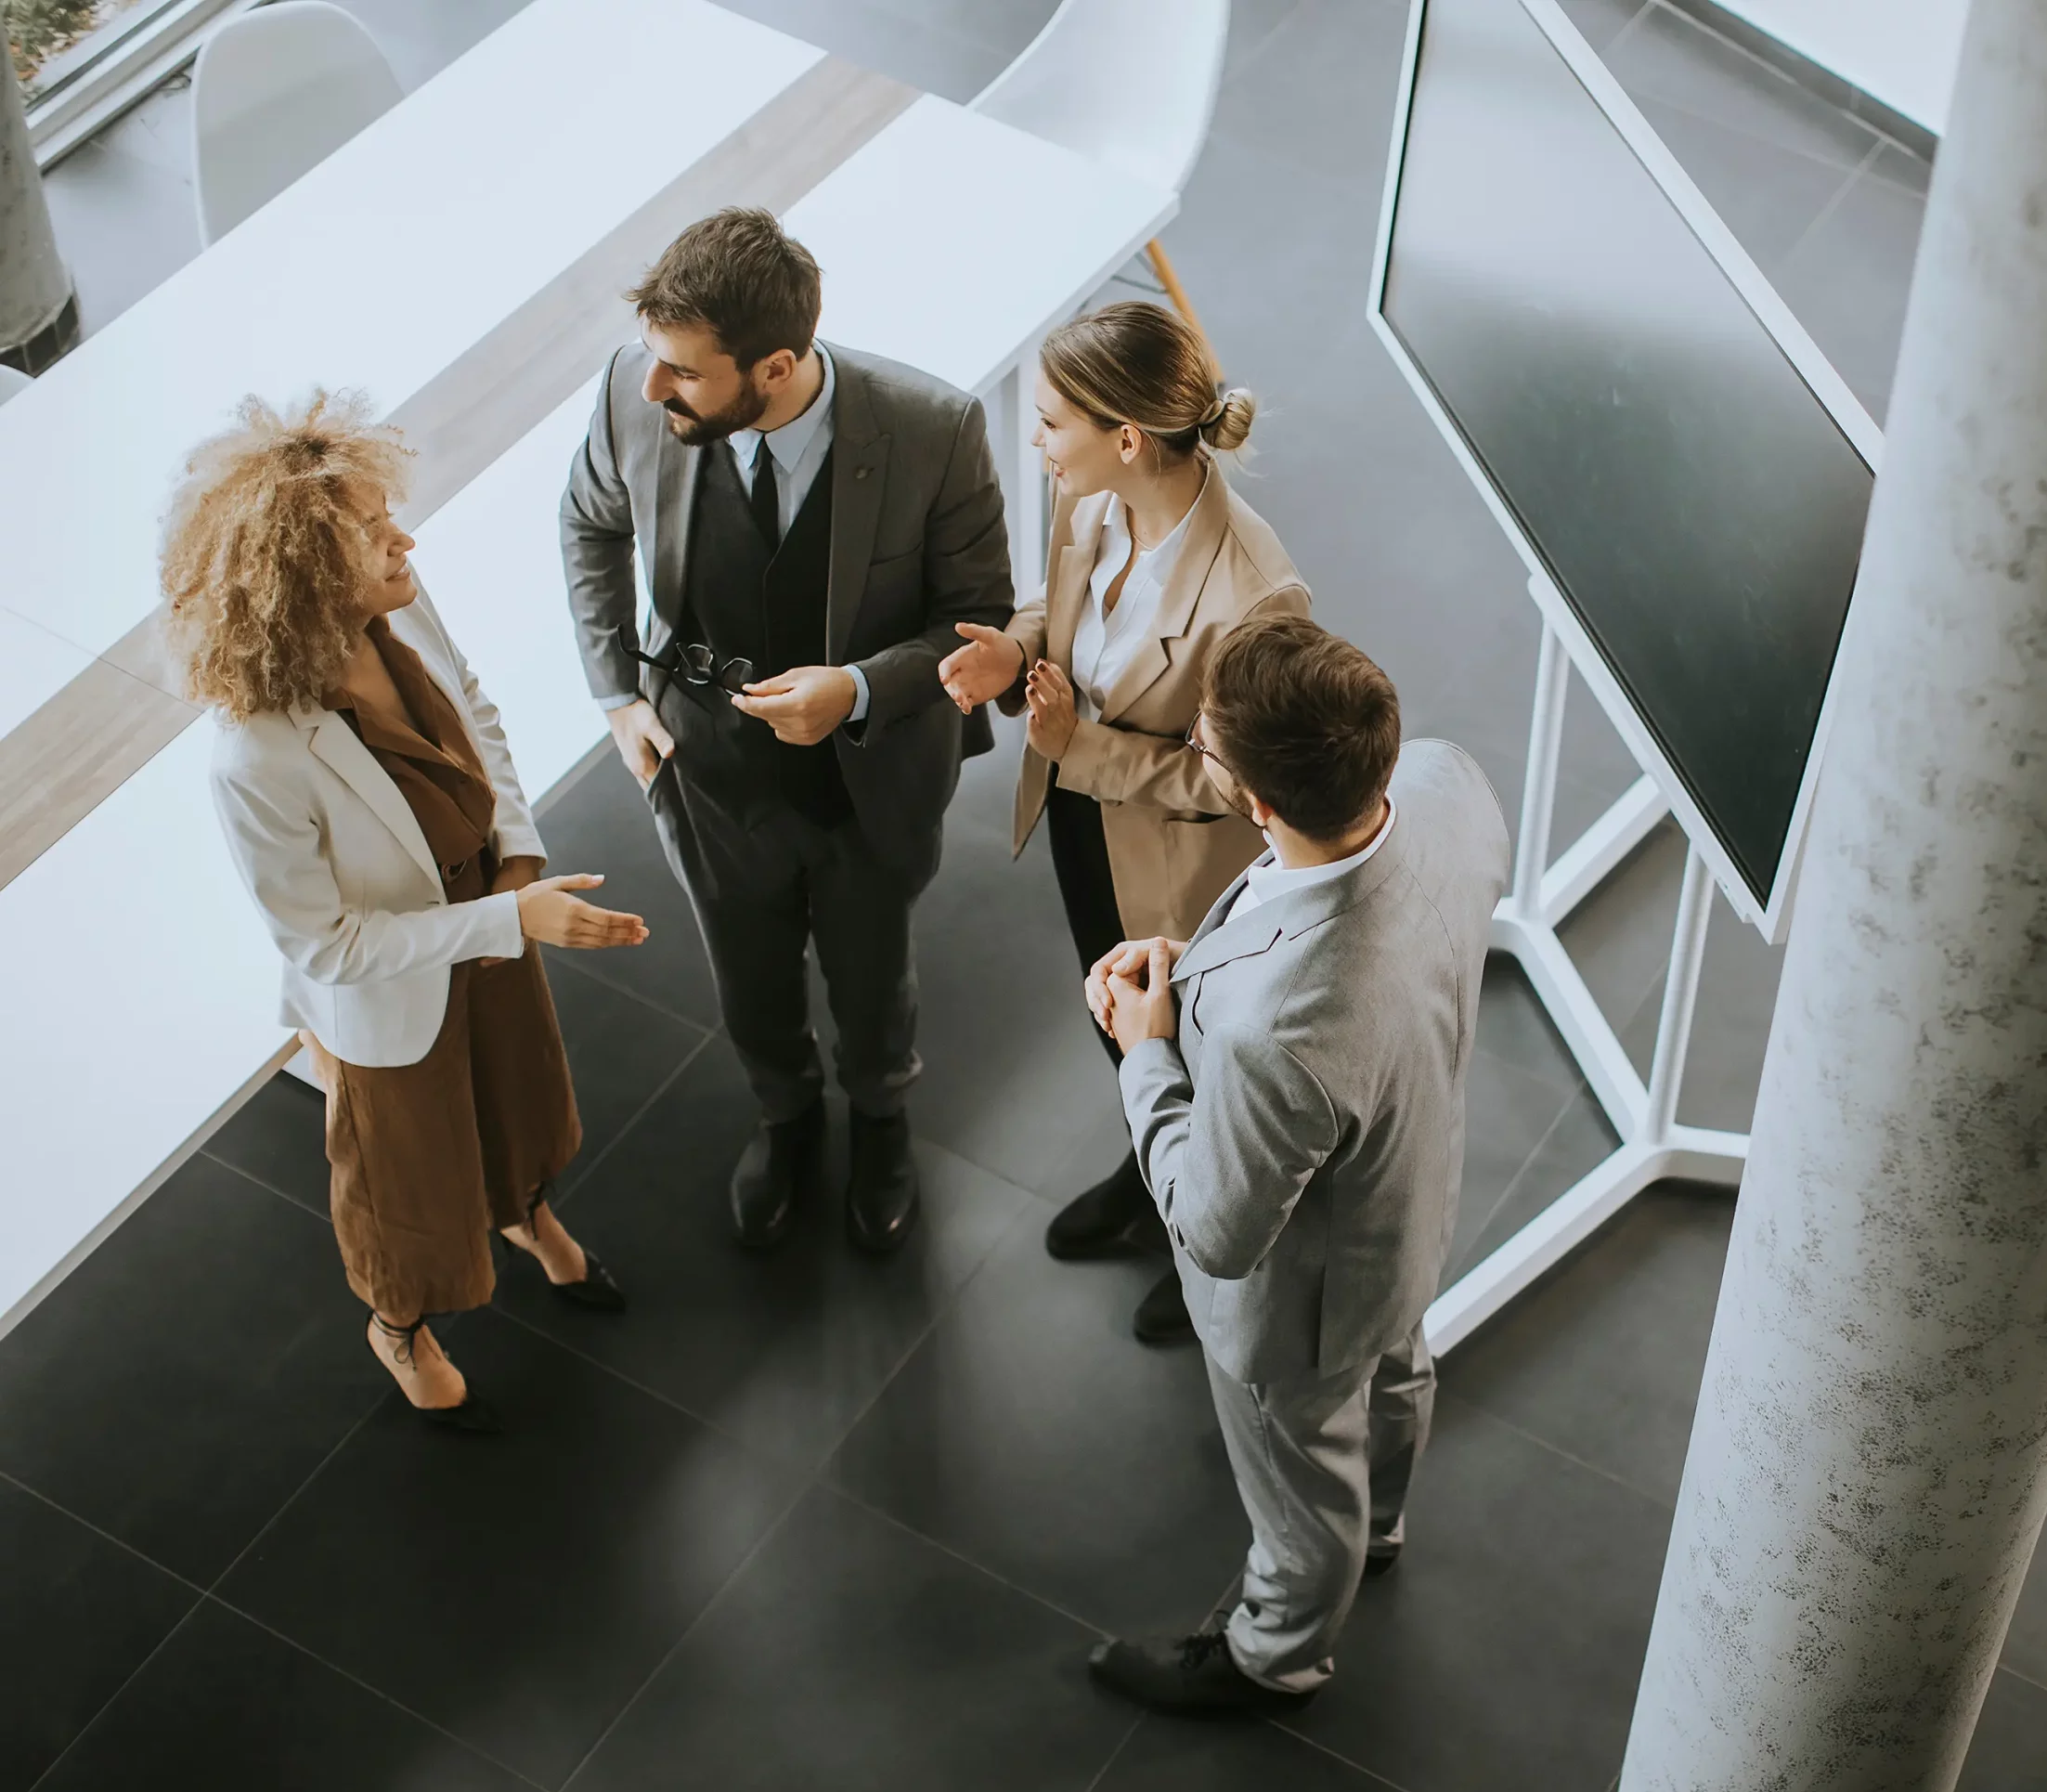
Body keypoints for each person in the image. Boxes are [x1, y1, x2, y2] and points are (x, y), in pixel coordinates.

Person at [179, 392, 648, 1431]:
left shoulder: (395, 599)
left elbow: (473, 703)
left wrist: (516, 855)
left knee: (515, 1095)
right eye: (370, 529)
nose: (406, 537)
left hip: (492, 909)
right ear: (301, 578)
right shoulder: (254, 757)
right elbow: (326, 943)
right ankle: (398, 1322)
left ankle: (525, 1215)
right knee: (405, 1183)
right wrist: (507, 923)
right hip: (400, 990)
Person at [562, 208, 1012, 1255]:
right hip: (702, 765)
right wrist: (617, 695)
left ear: (775, 365)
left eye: (682, 372)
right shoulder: (636, 396)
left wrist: (854, 689)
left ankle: (881, 1116)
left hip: (868, 778)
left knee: (870, 970)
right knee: (744, 966)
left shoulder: (931, 429)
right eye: (653, 362)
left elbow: (978, 620)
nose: (651, 389)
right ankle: (785, 1112)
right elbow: (588, 521)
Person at [1081, 618, 1509, 1714]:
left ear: (1258, 802)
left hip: (1298, 1305)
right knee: (1400, 1369)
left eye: (1208, 747)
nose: (1200, 751)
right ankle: (1387, 1525)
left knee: (1302, 1479)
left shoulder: (1290, 1032)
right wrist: (1190, 968)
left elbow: (1217, 1224)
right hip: (1413, 1194)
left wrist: (1146, 1051)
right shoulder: (1443, 784)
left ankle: (1278, 1649)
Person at [939, 301, 1310, 1347]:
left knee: (1195, 1052)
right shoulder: (1088, 503)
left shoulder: (1256, 594)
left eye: (1051, 422)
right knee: (1122, 1020)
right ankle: (1150, 1171)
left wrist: (1075, 748)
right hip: (1080, 822)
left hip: (1175, 866)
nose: (1036, 439)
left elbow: (1236, 782)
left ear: (1127, 436)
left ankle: (1210, 1244)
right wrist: (1012, 656)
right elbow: (1052, 613)